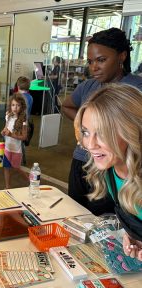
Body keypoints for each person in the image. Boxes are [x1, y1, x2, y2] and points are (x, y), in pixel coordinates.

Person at [62, 27, 142, 215]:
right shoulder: (88, 86)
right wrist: (83, 129)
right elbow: (67, 106)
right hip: (83, 160)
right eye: (90, 62)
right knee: (74, 210)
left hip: (118, 166)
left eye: (101, 60)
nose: (94, 67)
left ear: (121, 56)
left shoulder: (135, 90)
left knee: (106, 217)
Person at [74, 84, 142, 261]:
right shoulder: (109, 172)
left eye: (102, 133)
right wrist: (134, 235)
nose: (90, 145)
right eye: (86, 132)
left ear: (131, 131)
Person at [1, 93, 28, 189]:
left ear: (22, 106)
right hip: (7, 148)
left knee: (16, 168)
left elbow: (24, 137)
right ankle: (7, 187)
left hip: (16, 150)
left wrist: (11, 134)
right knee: (6, 167)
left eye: (18, 105)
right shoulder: (8, 116)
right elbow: (6, 127)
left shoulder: (23, 120)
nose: (15, 108)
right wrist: (4, 131)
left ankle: (29, 180)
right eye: (13, 105)